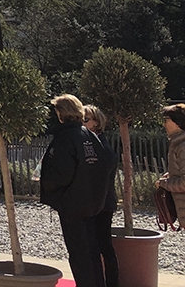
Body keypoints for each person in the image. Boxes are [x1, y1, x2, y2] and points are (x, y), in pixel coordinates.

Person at [39, 94, 110, 287]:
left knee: (79, 255)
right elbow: (103, 167)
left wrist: (47, 185)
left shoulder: (65, 137)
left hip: (71, 203)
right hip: (91, 202)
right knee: (91, 251)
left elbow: (62, 173)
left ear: (62, 113)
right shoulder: (90, 135)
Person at [84, 104, 118, 287]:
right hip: (98, 201)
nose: (82, 123)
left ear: (97, 123)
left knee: (103, 245)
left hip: (102, 203)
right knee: (97, 245)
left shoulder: (99, 144)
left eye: (86, 120)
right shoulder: (92, 142)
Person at [157, 104, 185, 233]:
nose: (163, 124)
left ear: (178, 122)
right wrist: (170, 175)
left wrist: (163, 183)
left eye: (166, 120)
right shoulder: (178, 143)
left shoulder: (183, 146)